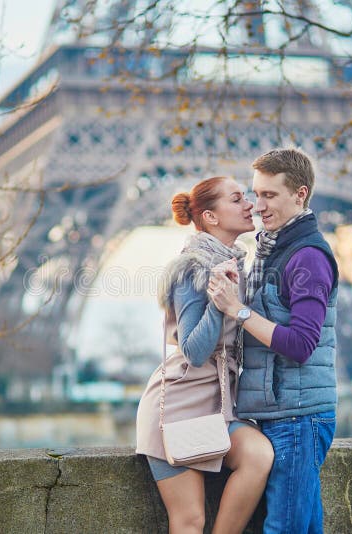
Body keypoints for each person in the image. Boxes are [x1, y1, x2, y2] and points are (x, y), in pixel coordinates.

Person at [208, 149, 339, 533]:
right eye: (255, 194)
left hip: (298, 416)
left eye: (270, 195)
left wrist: (238, 310)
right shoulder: (270, 249)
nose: (257, 205)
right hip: (278, 413)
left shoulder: (308, 258)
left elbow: (301, 344)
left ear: (300, 194)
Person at [136, 176, 274, 534]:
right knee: (189, 520)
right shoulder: (192, 269)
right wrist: (220, 302)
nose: (249, 204)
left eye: (247, 196)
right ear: (211, 217)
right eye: (236, 199)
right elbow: (194, 352)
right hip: (177, 408)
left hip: (218, 407)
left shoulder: (237, 265)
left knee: (259, 455)